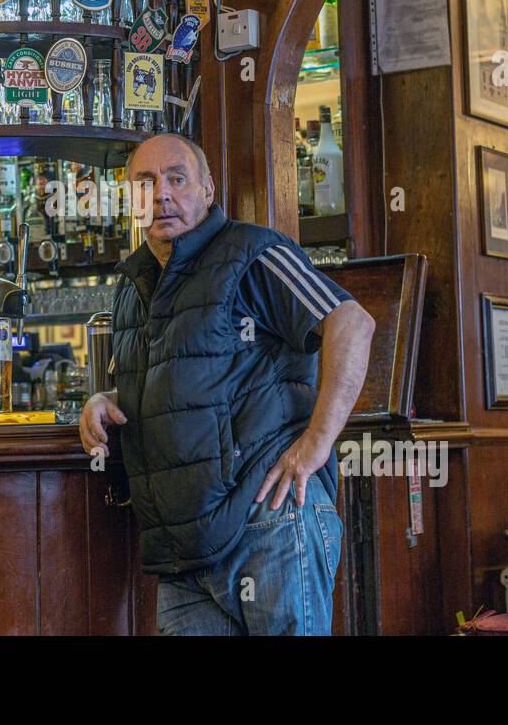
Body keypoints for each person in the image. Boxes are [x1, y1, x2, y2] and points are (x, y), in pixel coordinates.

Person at [80, 133, 374, 635]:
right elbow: (171, 381)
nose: (163, 194)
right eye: (146, 183)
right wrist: (104, 400)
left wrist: (317, 445)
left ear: (208, 189)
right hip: (183, 551)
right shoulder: (133, 286)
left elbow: (351, 322)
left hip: (270, 523)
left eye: (177, 179)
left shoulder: (253, 252)